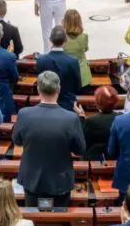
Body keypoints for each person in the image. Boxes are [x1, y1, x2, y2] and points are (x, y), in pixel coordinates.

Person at [12, 71, 85, 206]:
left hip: (32, 179)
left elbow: (17, 141)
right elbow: (79, 150)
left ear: (38, 89)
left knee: (34, 221)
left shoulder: (24, 114)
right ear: (59, 89)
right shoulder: (71, 118)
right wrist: (81, 120)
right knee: (59, 223)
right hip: (60, 181)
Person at [35, 26, 82, 111]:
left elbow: (40, 83)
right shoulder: (73, 61)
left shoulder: (41, 60)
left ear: (50, 40)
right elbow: (78, 85)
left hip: (46, 104)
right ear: (66, 40)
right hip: (68, 105)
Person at [83, 86, 118, 160]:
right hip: (116, 157)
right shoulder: (121, 118)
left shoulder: (91, 121)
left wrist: (81, 118)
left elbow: (85, 143)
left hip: (95, 159)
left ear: (98, 102)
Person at [62, 9, 91, 89]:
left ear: (65, 22)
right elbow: (85, 49)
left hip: (67, 76)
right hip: (83, 77)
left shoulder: (62, 37)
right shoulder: (84, 36)